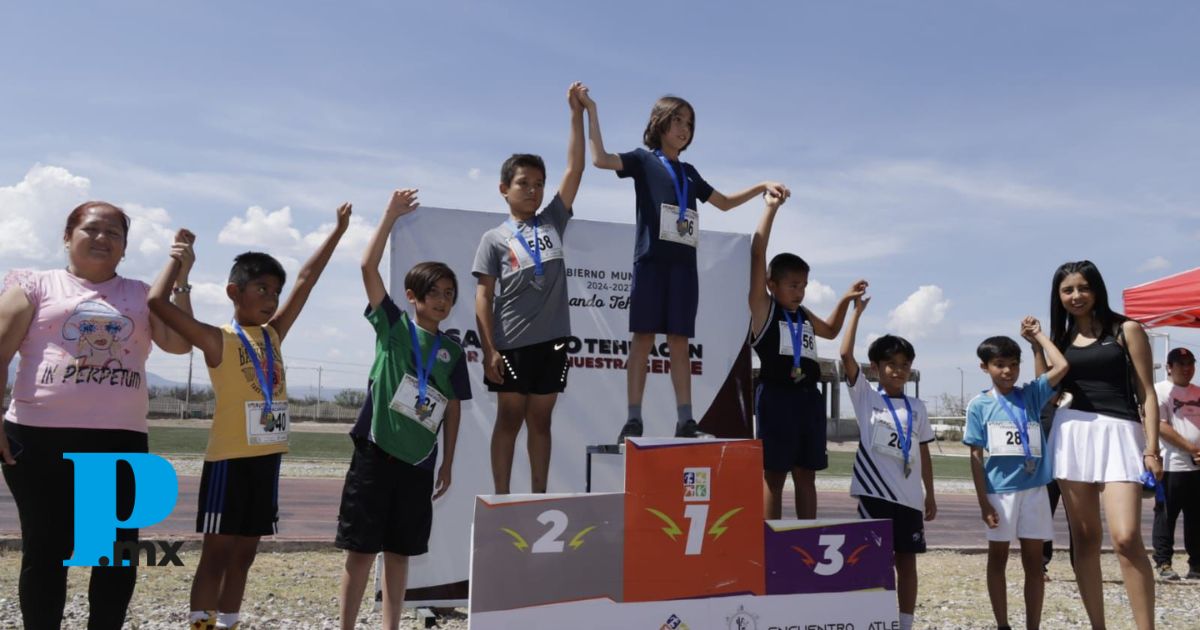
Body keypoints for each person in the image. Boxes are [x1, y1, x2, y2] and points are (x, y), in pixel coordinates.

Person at [148, 204, 350, 630]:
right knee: (217, 555)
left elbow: (307, 280)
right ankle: (201, 626)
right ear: (233, 293)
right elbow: (155, 302)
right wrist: (177, 259)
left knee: (245, 555)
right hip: (229, 462)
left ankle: (229, 624)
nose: (271, 299)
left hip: (267, 459)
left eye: (274, 292)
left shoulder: (274, 334)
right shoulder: (217, 339)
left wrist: (338, 231)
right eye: (260, 289)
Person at [0, 201, 195, 629]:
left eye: (115, 234)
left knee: (113, 553)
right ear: (67, 237)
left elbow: (179, 345)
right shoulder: (34, 285)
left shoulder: (142, 294)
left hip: (117, 441)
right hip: (38, 439)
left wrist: (181, 279)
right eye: (92, 229)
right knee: (46, 550)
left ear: (125, 249)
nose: (103, 238)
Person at [580, 90, 788, 441]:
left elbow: (722, 203)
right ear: (659, 123)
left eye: (689, 123)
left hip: (683, 268)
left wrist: (760, 188)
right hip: (650, 263)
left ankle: (685, 420)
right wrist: (591, 111)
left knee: (679, 341)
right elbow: (600, 159)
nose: (684, 128)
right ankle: (633, 418)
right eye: (677, 120)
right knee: (643, 338)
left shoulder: (689, 172)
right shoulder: (643, 161)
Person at [337, 190, 470, 630]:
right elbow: (366, 267)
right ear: (412, 295)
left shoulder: (452, 351)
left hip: (418, 463)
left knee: (400, 554)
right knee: (360, 552)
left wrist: (448, 461)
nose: (443, 300)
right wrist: (391, 215)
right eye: (434, 292)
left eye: (450, 294)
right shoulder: (393, 327)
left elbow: (451, 409)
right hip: (376, 454)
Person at [473, 82, 586, 494]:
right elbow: (483, 295)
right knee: (509, 419)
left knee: (541, 421)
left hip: (553, 341)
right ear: (504, 188)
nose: (534, 190)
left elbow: (575, 169)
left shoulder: (553, 219)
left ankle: (538, 496)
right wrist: (490, 349)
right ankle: (501, 497)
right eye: (524, 183)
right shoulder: (494, 238)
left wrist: (577, 113)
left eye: (539, 183)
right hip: (511, 342)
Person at [1046, 260, 1160, 630]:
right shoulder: (1058, 340)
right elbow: (1043, 391)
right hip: (1072, 434)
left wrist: (1152, 448)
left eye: (1083, 287)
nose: (1076, 296)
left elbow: (1147, 393)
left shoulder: (1126, 329)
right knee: (1084, 537)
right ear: (1059, 296)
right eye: (1068, 290)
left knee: (1126, 538)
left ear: (1096, 289)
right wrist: (1037, 344)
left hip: (1121, 434)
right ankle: (1099, 626)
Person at [748, 190, 865, 519]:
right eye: (792, 285)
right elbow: (758, 254)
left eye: (803, 285)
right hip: (777, 397)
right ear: (772, 284)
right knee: (774, 476)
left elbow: (829, 330)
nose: (799, 292)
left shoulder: (803, 315)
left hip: (808, 399)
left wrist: (845, 299)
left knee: (806, 474)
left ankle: (806, 539)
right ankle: (770, 541)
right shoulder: (763, 308)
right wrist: (771, 209)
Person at [963, 321, 1069, 630]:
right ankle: (1003, 624)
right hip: (1000, 492)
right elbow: (975, 455)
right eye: (999, 365)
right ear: (985, 367)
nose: (1008, 371)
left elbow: (1062, 364)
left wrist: (1037, 337)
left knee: (1034, 564)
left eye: (1013, 364)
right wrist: (984, 502)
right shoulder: (980, 405)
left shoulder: (1032, 395)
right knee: (998, 559)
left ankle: (1032, 625)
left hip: (1035, 489)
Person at [839, 293, 935, 630]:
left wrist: (930, 494)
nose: (899, 370)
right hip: (874, 496)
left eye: (905, 365)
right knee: (874, 561)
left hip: (909, 499)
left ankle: (905, 622)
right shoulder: (866, 396)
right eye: (891, 364)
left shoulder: (918, 408)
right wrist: (856, 313)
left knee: (907, 563)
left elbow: (923, 451)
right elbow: (844, 354)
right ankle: (873, 619)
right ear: (876, 368)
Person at [1152, 347, 1200, 581]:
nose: (1186, 368)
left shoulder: (1198, 391)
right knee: (1166, 515)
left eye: (1190, 363)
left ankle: (1197, 565)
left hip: (1197, 467)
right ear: (1169, 367)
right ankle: (1163, 562)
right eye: (1180, 364)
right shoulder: (1159, 392)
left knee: (1196, 518)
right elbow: (1160, 426)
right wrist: (1191, 448)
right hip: (1172, 466)